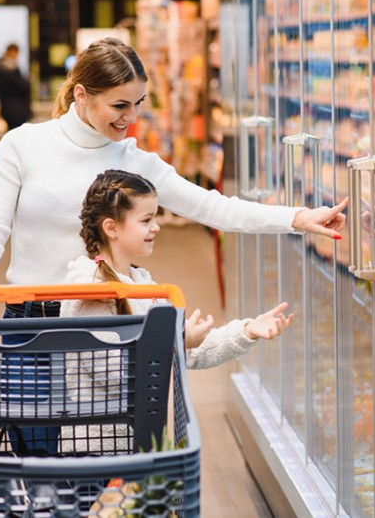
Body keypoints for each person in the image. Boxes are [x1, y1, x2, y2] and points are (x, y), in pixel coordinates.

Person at [0, 37, 347, 307]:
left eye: (138, 103)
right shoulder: (22, 145)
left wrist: (296, 218)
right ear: (81, 95)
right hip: (32, 316)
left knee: (100, 437)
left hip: (105, 317)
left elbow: (213, 208)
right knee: (33, 436)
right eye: (120, 105)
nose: (132, 117)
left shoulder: (135, 162)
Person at [59, 170, 293, 453]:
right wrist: (176, 343)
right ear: (112, 228)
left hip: (137, 443)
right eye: (146, 220)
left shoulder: (142, 284)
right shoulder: (90, 291)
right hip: (95, 450)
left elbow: (191, 353)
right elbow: (111, 373)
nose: (156, 227)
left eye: (155, 217)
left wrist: (246, 331)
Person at [0, 43, 32, 130]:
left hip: (6, 107)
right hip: (17, 109)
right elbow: (21, 86)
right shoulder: (10, 68)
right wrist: (27, 82)